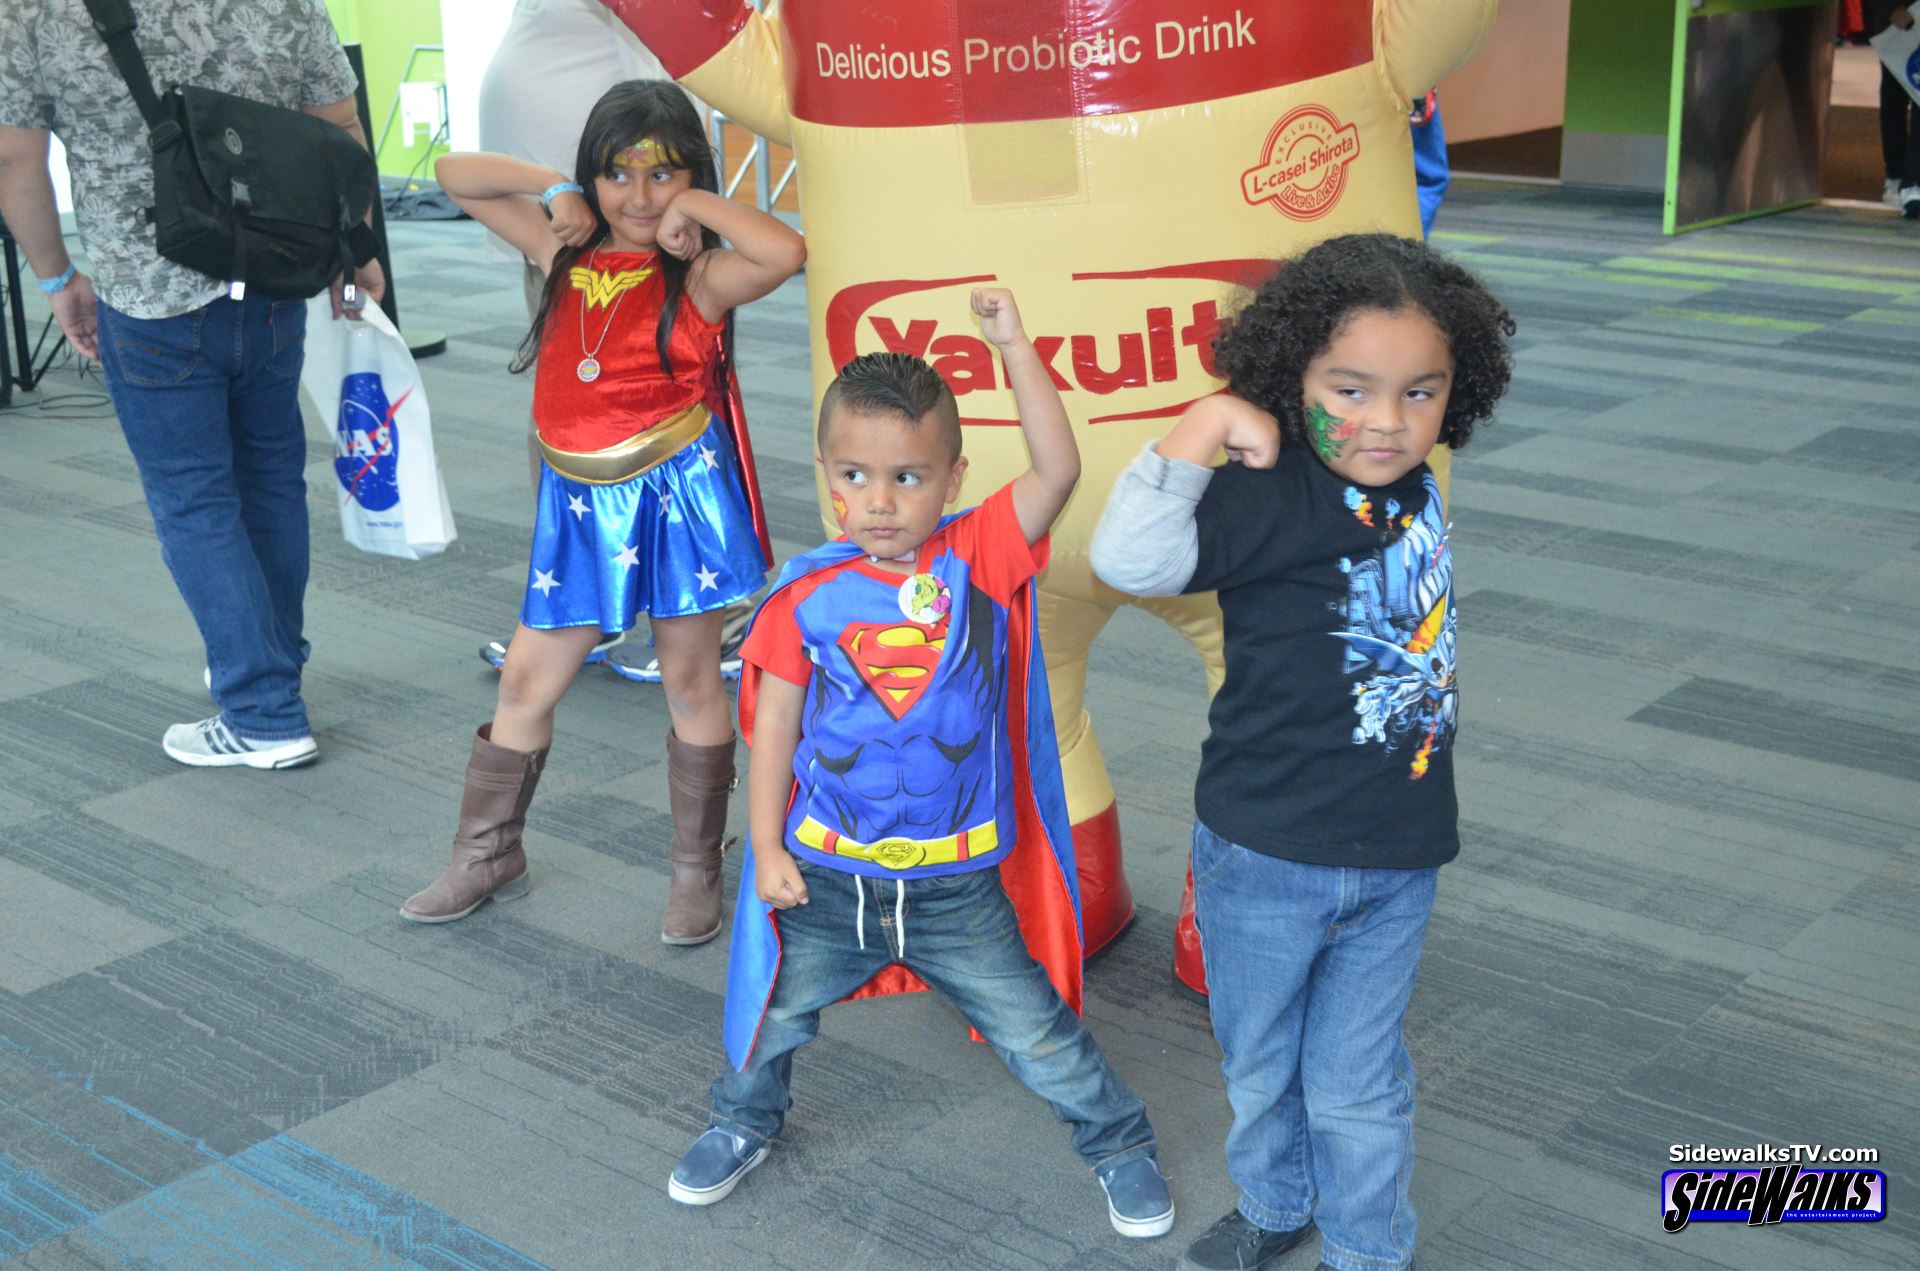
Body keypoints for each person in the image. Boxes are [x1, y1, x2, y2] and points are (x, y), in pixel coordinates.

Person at [668, 302, 1175, 1240]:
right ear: (826, 473)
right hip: (828, 874)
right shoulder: (807, 592)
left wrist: (1015, 347)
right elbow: (773, 727)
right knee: (771, 1013)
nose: (880, 501)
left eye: (908, 476)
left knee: (1035, 1030)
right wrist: (767, 847)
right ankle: (743, 1121)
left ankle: (1119, 1140)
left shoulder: (979, 555)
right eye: (854, 475)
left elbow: (1058, 470)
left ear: (953, 478)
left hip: (955, 886)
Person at [1091, 234, 1514, 1271]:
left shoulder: (1414, 482)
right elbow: (1127, 557)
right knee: (1261, 1062)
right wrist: (1205, 422)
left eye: (1420, 393)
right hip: (1264, 850)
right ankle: (1277, 1199)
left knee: (1360, 1080)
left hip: (1400, 848)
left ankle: (1367, 1250)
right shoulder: (1267, 486)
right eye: (1350, 389)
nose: (1387, 421)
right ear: (1293, 377)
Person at [401, 81, 803, 942]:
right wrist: (554, 185)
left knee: (690, 681)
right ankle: (486, 853)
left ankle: (696, 868)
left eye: (663, 173)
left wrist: (693, 208)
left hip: (677, 500)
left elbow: (784, 250)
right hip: (581, 511)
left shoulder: (701, 277)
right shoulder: (561, 251)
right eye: (618, 173)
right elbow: (454, 173)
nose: (639, 195)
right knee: (525, 679)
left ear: (692, 176)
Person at [0, 0, 383, 770]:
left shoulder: (33, 9)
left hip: (148, 297)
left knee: (194, 497)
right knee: (270, 480)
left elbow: (14, 160)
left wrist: (56, 278)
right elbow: (340, 128)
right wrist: (356, 248)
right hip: (271, 275)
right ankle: (270, 658)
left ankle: (262, 710)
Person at [1870, 2, 1920, 216]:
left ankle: (1913, 180)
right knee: (1894, 100)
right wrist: (1890, 7)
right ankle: (1896, 174)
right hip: (1897, 22)